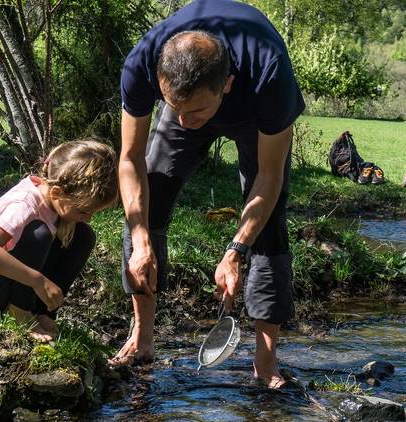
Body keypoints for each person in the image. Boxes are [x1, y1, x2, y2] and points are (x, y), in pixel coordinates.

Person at [113, 0, 305, 389]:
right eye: (174, 107)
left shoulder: (270, 75)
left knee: (269, 226)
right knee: (150, 198)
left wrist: (236, 250)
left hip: (254, 115)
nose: (185, 122)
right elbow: (130, 159)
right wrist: (140, 237)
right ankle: (142, 337)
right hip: (195, 90)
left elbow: (268, 179)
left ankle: (265, 361)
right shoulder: (143, 61)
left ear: (227, 85)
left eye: (195, 112)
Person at [0, 139, 118, 342]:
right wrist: (38, 280)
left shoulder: (54, 201)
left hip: (11, 281)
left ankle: (42, 311)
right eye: (84, 210)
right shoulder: (25, 204)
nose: (88, 218)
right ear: (56, 193)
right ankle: (21, 312)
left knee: (83, 236)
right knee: (39, 234)